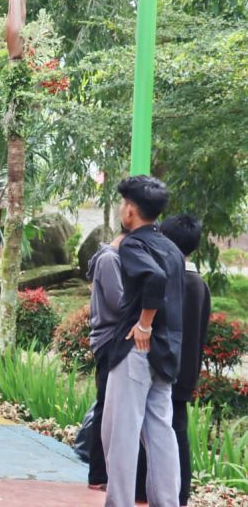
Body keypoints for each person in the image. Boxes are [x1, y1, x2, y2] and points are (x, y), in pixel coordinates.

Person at [101, 175, 184, 507]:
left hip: (137, 350)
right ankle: (167, 502)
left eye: (124, 204)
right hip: (166, 355)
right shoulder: (172, 248)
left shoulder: (135, 244)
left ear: (131, 210)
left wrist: (144, 325)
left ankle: (118, 502)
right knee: (161, 433)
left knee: (119, 433)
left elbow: (154, 278)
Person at [135, 214, 211, 507]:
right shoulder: (198, 283)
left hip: (168, 367)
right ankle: (162, 492)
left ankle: (176, 495)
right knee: (169, 428)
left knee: (171, 431)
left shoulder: (177, 281)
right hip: (186, 368)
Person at [85, 229, 126, 490]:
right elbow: (119, 302)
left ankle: (103, 473)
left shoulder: (110, 257)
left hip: (110, 339)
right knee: (105, 407)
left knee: (109, 406)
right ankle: (99, 474)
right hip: (109, 340)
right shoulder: (110, 259)